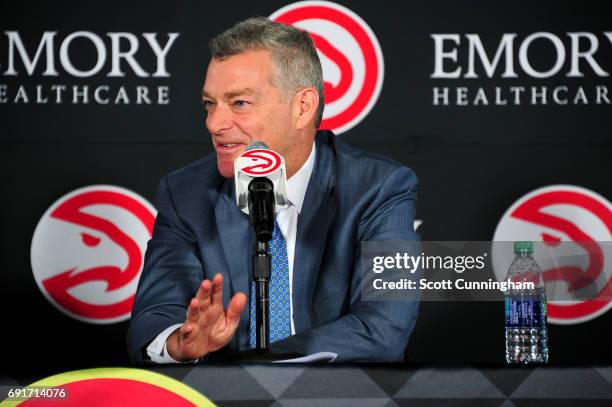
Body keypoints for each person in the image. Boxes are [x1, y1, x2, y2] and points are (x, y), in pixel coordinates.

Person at [127, 17, 420, 364]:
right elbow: (155, 319)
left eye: (239, 103)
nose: (214, 123)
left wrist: (257, 365)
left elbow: (383, 328)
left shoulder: (378, 189)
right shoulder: (187, 194)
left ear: (302, 108)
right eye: (210, 104)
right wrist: (180, 343)